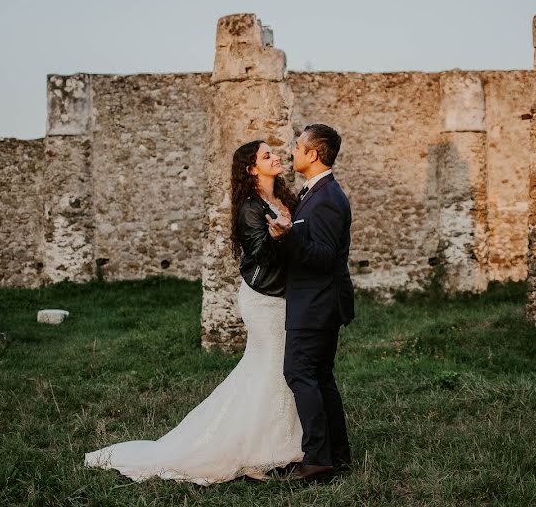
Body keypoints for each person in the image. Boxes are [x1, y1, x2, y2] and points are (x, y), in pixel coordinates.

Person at [84, 140, 304, 485]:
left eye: (273, 153)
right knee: (273, 365)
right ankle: (256, 450)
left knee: (278, 368)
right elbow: (259, 253)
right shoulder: (250, 207)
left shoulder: (287, 200)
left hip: (286, 296)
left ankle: (282, 444)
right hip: (264, 299)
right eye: (266, 155)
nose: (275, 157)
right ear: (251, 169)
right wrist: (277, 237)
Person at [268, 123, 354, 482]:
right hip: (314, 301)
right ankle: (337, 455)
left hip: (317, 304)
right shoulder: (313, 194)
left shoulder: (329, 199)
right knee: (320, 377)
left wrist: (288, 237)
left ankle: (317, 458)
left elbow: (323, 257)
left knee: (299, 373)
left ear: (313, 154)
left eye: (297, 146)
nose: (292, 151)